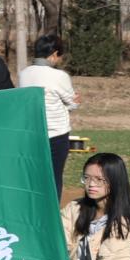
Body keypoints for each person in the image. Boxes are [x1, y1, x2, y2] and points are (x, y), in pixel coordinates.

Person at [20, 34, 80, 197]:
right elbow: (72, 102)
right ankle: (52, 211)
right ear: (54, 54)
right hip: (56, 135)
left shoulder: (24, 74)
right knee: (54, 178)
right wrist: (75, 102)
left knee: (34, 178)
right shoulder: (60, 76)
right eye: (60, 56)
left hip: (31, 134)